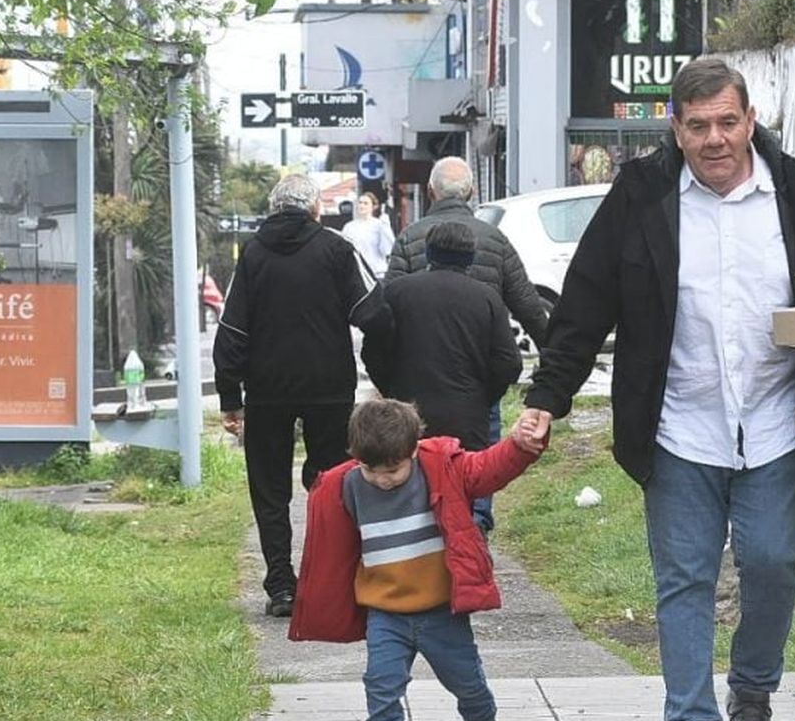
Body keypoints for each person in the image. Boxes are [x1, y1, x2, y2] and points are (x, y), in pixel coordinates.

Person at [518, 57, 795, 721]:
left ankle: (753, 691)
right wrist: (547, 396)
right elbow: (583, 308)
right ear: (674, 127)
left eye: (727, 122)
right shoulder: (641, 197)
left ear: (750, 120)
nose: (714, 139)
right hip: (678, 426)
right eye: (698, 125)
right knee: (685, 582)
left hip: (774, 422)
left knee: (774, 564)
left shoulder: (792, 190)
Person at [287, 398, 548, 721]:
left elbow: (489, 469)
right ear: (355, 457)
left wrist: (519, 445)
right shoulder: (347, 486)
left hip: (442, 611)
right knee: (380, 682)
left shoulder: (442, 469)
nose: (382, 479)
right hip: (385, 612)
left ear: (411, 450)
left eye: (392, 470)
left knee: (468, 685)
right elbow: (332, 548)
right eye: (370, 470)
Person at [213, 173, 388, 618]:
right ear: (315, 210)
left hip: (267, 389)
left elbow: (232, 329)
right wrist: (384, 365)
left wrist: (230, 397)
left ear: (274, 209)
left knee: (269, 487)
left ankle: (281, 587)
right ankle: (326, 580)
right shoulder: (335, 248)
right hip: (328, 386)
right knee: (329, 481)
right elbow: (372, 310)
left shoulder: (253, 253)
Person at [385, 156, 549, 533]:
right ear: (472, 192)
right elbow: (527, 305)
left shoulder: (410, 238)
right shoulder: (494, 239)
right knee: (476, 463)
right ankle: (474, 527)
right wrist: (555, 364)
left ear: (430, 192)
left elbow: (385, 315)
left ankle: (423, 536)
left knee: (418, 458)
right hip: (477, 381)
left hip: (415, 383)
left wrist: (392, 379)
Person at [361, 221, 522, 480]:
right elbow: (509, 362)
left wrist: (392, 389)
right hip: (467, 415)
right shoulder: (486, 297)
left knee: (410, 488)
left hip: (407, 414)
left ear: (429, 253)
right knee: (462, 487)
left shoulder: (396, 292)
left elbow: (373, 350)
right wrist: (482, 396)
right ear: (470, 257)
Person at [340, 191, 394, 277]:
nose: (362, 206)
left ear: (374, 206)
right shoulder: (349, 227)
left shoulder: (380, 225)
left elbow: (387, 250)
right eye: (360, 203)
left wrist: (385, 227)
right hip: (357, 273)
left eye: (366, 203)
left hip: (377, 272)